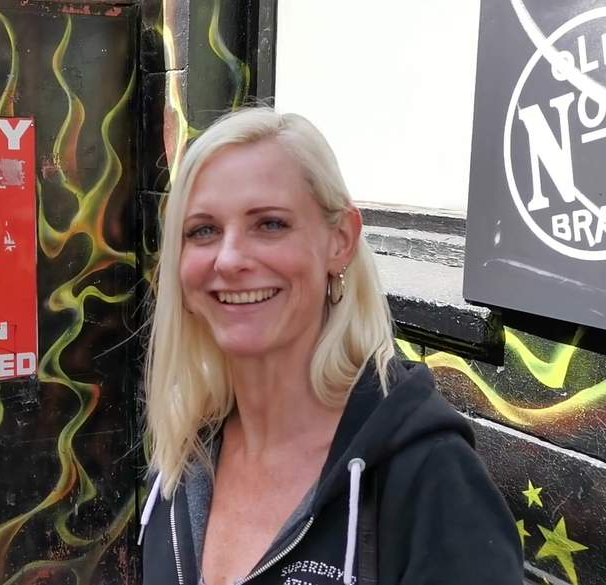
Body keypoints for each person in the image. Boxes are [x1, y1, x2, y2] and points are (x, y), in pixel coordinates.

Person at [138, 107, 523, 585]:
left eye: (270, 224)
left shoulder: (430, 479)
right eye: (203, 230)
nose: (230, 258)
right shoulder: (184, 456)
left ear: (339, 241)